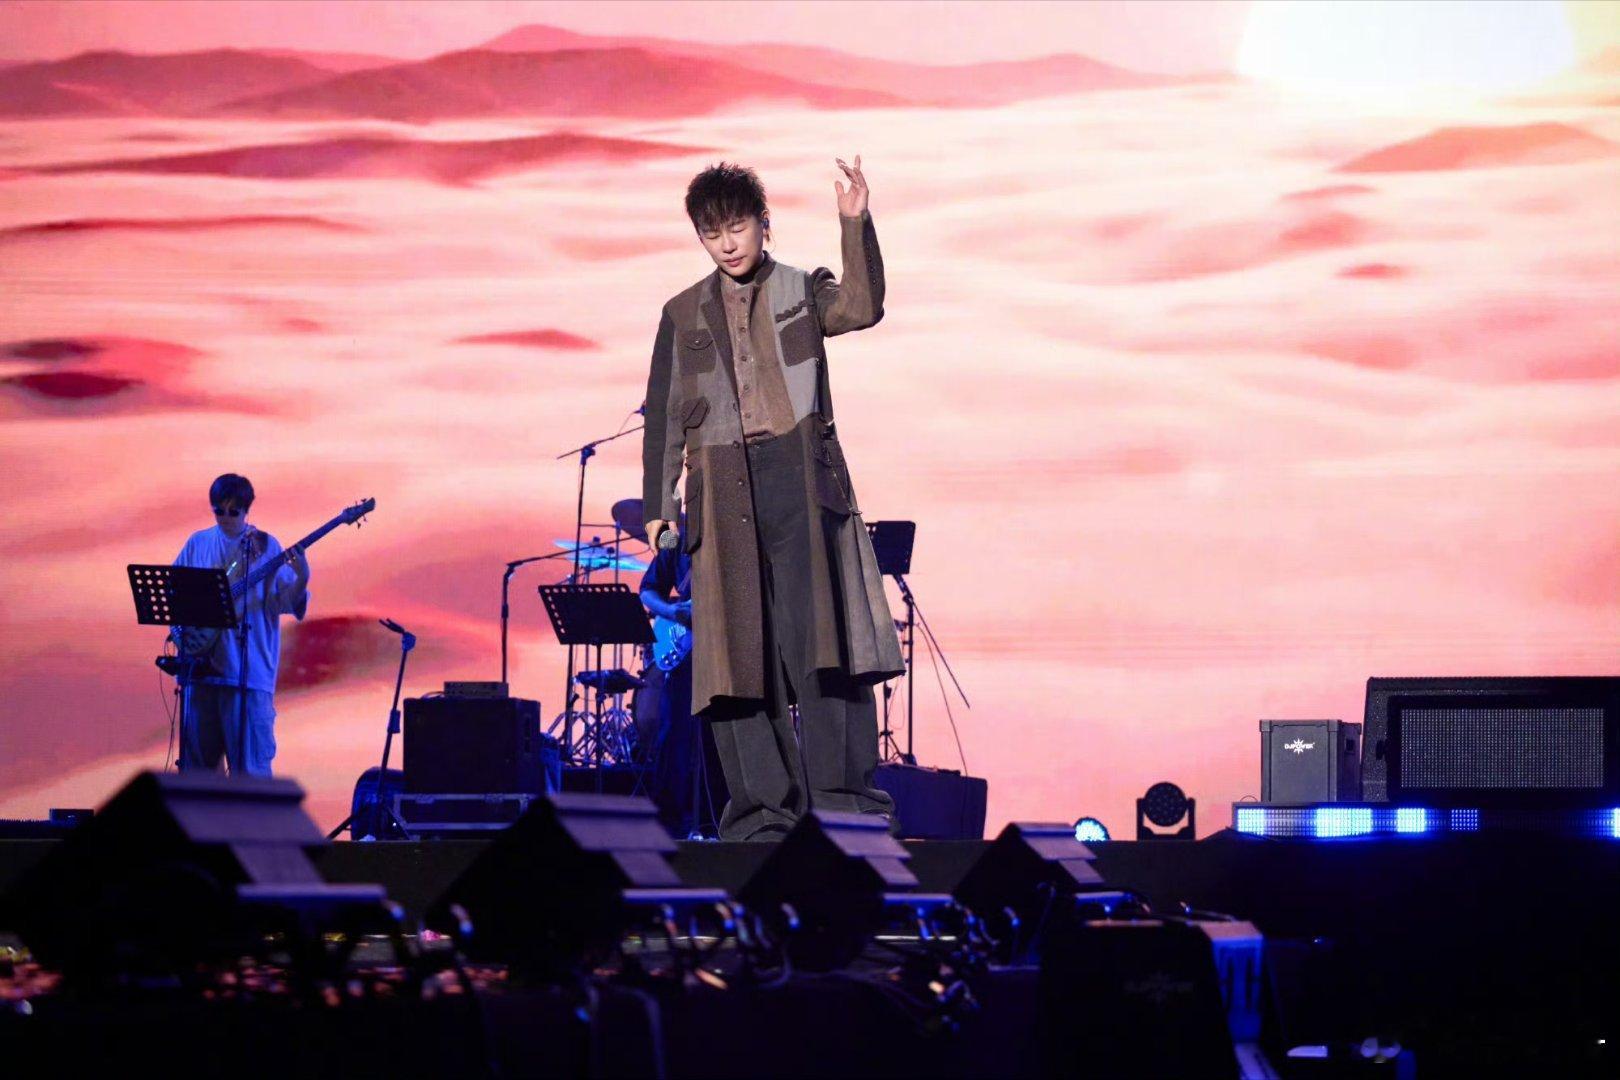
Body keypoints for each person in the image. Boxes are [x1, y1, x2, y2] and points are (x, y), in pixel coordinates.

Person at [641, 158, 904, 841]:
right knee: (736, 663)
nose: (727, 244)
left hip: (801, 483)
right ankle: (762, 818)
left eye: (737, 227)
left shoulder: (800, 289)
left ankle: (846, 809)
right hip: (720, 490)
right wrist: (658, 506)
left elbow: (861, 307)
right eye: (711, 234)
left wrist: (854, 222)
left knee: (824, 648)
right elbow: (663, 415)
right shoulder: (682, 312)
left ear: (763, 223)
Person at [173, 473, 309, 776]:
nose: (225, 517)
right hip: (203, 677)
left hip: (248, 677)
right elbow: (174, 594)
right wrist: (183, 633)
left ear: (247, 510)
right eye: (218, 510)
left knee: (250, 776)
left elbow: (283, 603)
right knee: (198, 778)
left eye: (233, 511)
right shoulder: (197, 543)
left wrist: (302, 576)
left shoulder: (266, 547)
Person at [636, 517, 725, 837]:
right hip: (685, 650)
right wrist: (673, 612)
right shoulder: (675, 540)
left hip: (724, 650)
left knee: (719, 740)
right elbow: (647, 590)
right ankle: (668, 826)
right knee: (674, 735)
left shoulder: (737, 536)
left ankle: (718, 823)